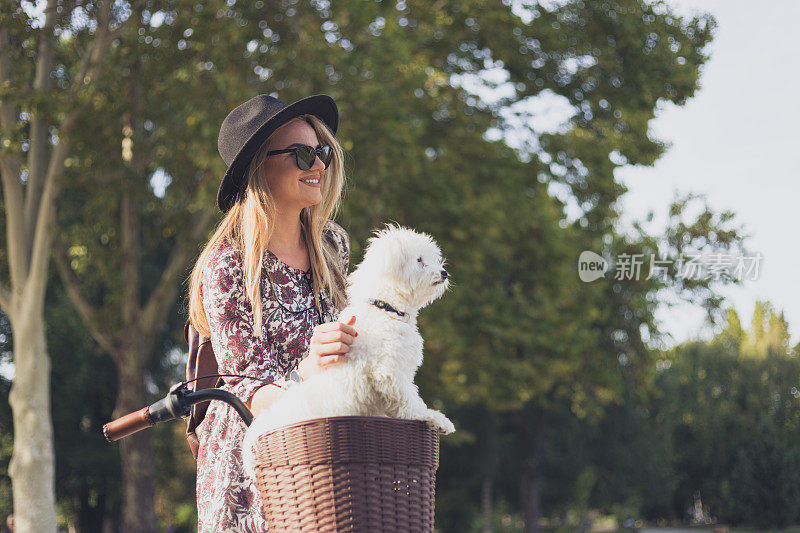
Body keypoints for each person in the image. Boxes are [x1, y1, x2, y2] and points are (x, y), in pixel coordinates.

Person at [186, 94, 358, 532]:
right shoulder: (228, 265)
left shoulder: (333, 245)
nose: (317, 165)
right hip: (252, 477)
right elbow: (252, 392)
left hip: (323, 462)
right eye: (302, 154)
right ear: (259, 166)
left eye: (321, 152)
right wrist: (310, 368)